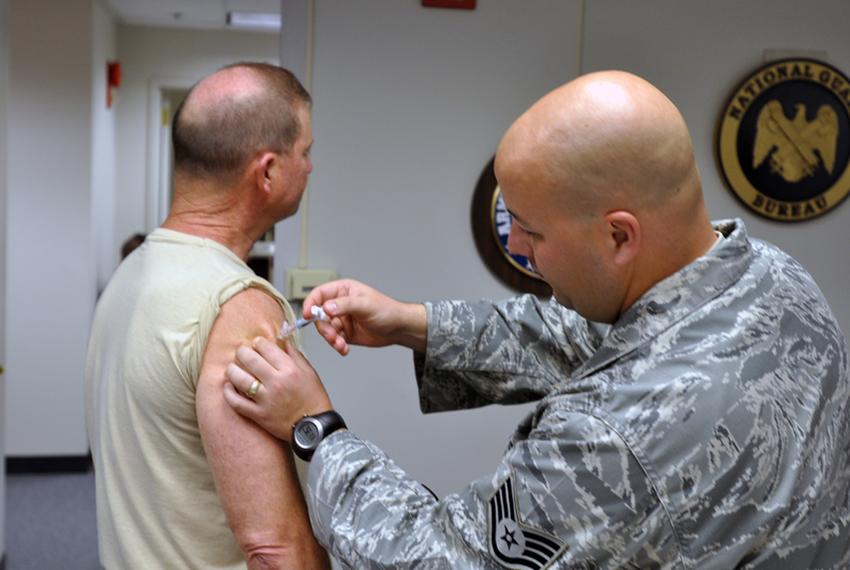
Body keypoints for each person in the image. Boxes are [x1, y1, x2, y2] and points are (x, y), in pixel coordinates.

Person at [223, 71, 850, 568]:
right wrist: (412, 323)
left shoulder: (617, 442)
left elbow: (440, 559)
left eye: (531, 231)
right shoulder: (769, 277)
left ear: (618, 236)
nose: (517, 247)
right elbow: (604, 342)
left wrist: (315, 429)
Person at [85, 63, 329, 569]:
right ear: (266, 172)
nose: (310, 167)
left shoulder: (132, 271)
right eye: (304, 152)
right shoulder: (236, 303)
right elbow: (274, 550)